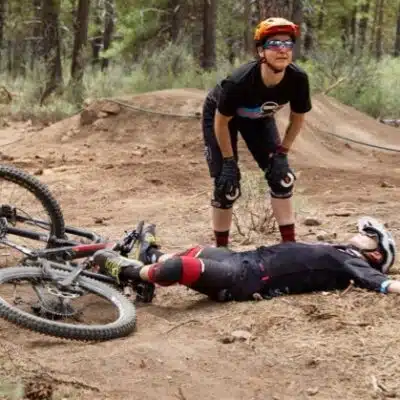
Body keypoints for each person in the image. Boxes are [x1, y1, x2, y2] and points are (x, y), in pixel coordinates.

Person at [92, 216, 398, 303]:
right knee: (192, 251)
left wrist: (391, 285)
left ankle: (129, 272)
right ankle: (150, 256)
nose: (361, 234)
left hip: (245, 279)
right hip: (244, 259)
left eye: (369, 235)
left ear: (375, 254)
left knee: (177, 267)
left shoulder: (354, 263)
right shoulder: (343, 252)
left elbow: (381, 283)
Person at [201, 17, 312, 247]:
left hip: (258, 117)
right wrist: (229, 162)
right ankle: (221, 250)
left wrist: (282, 153)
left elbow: (297, 117)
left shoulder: (298, 79)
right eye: (274, 44)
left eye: (287, 44)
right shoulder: (239, 81)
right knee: (226, 185)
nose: (282, 50)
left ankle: (289, 247)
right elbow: (221, 123)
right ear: (261, 51)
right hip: (222, 117)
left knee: (281, 178)